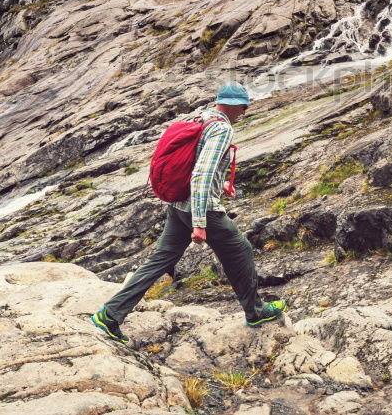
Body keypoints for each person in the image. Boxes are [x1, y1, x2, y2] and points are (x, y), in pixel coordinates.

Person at [91, 82, 287, 343]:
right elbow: (202, 173)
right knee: (241, 252)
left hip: (177, 204)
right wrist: (200, 223)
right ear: (237, 106)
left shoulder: (200, 117)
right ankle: (256, 312)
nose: (244, 113)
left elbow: (196, 164)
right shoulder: (221, 128)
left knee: (160, 259)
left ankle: (111, 314)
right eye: (243, 108)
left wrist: (222, 185)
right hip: (201, 209)